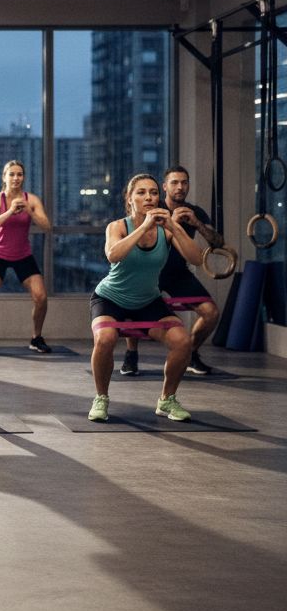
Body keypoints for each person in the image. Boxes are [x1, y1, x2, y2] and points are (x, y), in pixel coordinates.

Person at [88, 173, 203, 423]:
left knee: (182, 341)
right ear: (130, 199)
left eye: (152, 192)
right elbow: (113, 255)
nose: (148, 197)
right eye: (141, 192)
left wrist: (173, 226)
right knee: (105, 339)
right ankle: (101, 398)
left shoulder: (167, 230)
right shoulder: (117, 226)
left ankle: (166, 399)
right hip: (110, 297)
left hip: (147, 300)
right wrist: (143, 227)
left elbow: (197, 259)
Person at [120, 165, 222, 377]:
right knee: (133, 305)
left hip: (177, 273)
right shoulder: (151, 208)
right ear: (165, 187)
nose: (180, 187)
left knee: (211, 312)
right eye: (174, 182)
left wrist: (196, 223)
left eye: (184, 182)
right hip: (148, 270)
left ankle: (190, 353)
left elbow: (217, 242)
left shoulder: (195, 212)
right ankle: (131, 354)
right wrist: (169, 224)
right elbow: (133, 234)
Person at [0, 159, 53, 352]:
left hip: (22, 254)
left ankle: (36, 337)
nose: (16, 178)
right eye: (11, 174)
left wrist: (29, 210)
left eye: (19, 174)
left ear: (24, 177)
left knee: (41, 296)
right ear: (4, 177)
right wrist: (10, 211)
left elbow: (46, 226)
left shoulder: (32, 199)